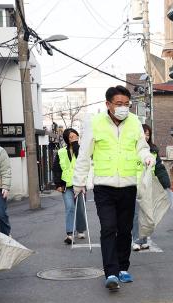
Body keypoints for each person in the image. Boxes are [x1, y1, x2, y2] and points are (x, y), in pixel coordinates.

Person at [73, 85, 154, 291]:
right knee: (109, 228)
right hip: (104, 186)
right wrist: (79, 182)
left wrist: (147, 158)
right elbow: (84, 154)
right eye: (119, 104)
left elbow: (142, 147)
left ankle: (123, 268)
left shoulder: (135, 122)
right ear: (108, 104)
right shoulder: (95, 123)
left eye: (127, 104)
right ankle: (110, 272)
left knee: (125, 229)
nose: (123, 108)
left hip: (128, 184)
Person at [132, 123, 171, 251]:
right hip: (135, 186)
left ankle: (143, 239)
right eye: (144, 134)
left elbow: (159, 168)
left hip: (149, 187)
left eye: (148, 134)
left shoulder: (153, 151)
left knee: (147, 213)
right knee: (137, 215)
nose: (146, 137)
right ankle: (136, 240)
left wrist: (166, 184)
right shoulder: (133, 150)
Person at [52, 128, 86, 244]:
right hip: (66, 185)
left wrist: (76, 146)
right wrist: (58, 184)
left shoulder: (82, 150)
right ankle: (70, 234)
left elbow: (84, 162)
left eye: (75, 136)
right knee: (70, 207)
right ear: (67, 139)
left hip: (80, 184)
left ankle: (80, 230)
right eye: (71, 137)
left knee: (80, 209)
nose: (73, 138)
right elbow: (56, 169)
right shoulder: (61, 152)